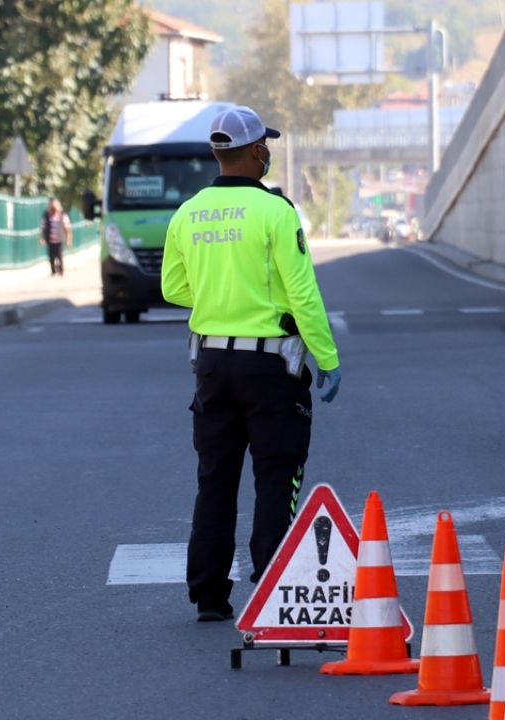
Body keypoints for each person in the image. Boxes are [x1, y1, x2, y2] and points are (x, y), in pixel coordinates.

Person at [160, 106, 342, 622]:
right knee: (276, 476)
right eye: (267, 145)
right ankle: (274, 590)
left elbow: (173, 288)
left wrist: (220, 296)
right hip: (271, 369)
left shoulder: (188, 213)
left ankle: (209, 596)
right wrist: (326, 358)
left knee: (215, 479)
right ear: (258, 150)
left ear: (217, 153)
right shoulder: (275, 212)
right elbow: (303, 294)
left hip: (212, 365)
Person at [40, 197, 73, 276]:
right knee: (51, 256)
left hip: (59, 239)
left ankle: (61, 271)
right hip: (50, 239)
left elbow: (67, 228)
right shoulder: (47, 215)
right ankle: (53, 271)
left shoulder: (63, 215)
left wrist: (69, 239)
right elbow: (43, 227)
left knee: (59, 255)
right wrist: (42, 237)